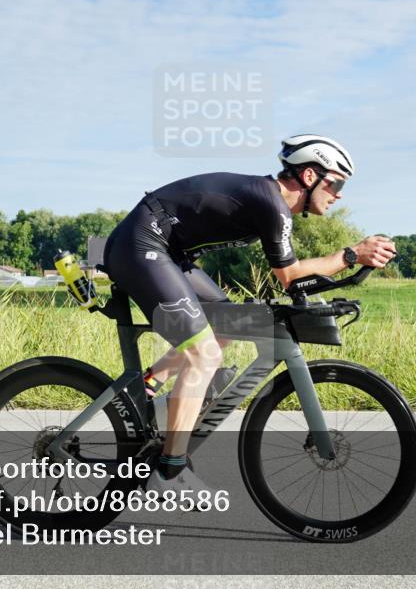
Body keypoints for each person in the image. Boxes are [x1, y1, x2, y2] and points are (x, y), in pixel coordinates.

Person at [101, 134, 397, 497]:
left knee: (229, 324)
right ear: (308, 177)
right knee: (204, 353)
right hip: (140, 245)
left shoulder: (273, 205)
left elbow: (291, 278)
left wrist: (347, 267)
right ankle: (169, 471)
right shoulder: (271, 204)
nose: (339, 194)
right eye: (335, 183)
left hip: (167, 251)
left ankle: (149, 393)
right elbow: (289, 276)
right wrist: (351, 255)